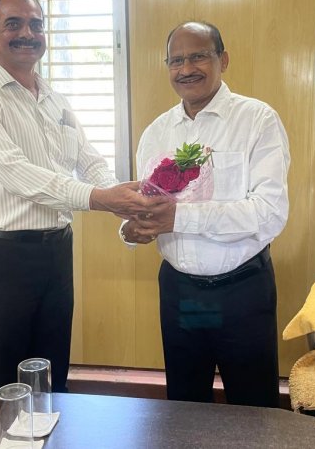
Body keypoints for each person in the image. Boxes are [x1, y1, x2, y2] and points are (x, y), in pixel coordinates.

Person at [0, 0, 164, 424]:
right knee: (3, 384)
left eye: (36, 24)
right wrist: (102, 200)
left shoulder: (55, 99)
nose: (27, 34)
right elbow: (18, 174)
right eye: (13, 24)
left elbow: (89, 161)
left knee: (50, 374)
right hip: (2, 257)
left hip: (56, 252)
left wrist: (128, 201)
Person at [121, 21, 290, 407]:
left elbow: (269, 214)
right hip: (182, 292)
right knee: (185, 404)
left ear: (223, 60)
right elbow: (151, 203)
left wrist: (179, 218)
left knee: (253, 408)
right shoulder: (156, 133)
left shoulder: (257, 120)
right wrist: (132, 229)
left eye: (198, 56)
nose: (186, 68)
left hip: (241, 292)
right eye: (176, 60)